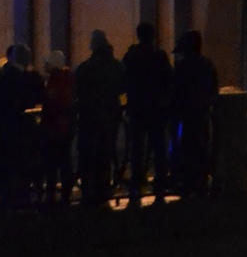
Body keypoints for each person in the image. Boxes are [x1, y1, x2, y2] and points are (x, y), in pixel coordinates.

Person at [123, 22, 173, 205]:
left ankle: (136, 186)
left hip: (138, 108)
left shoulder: (132, 56)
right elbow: (169, 80)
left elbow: (124, 79)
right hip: (156, 109)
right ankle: (159, 186)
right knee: (158, 148)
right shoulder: (159, 56)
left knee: (137, 150)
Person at [73, 31, 125, 209]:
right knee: (105, 154)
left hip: (89, 117)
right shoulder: (115, 66)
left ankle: (90, 191)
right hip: (110, 116)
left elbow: (77, 87)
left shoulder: (86, 68)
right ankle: (104, 189)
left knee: (88, 156)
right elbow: (123, 85)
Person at [0, 44, 45, 209]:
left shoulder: (5, 76)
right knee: (23, 164)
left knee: (9, 167)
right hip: (23, 129)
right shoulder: (28, 78)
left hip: (7, 128)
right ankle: (22, 198)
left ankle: (9, 199)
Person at [171, 30, 218, 198]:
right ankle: (201, 181)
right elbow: (213, 89)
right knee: (201, 146)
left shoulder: (184, 68)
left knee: (188, 147)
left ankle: (189, 182)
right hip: (201, 112)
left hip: (187, 114)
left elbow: (175, 90)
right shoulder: (207, 65)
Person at [39, 51, 76, 207]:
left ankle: (52, 194)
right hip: (66, 126)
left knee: (53, 162)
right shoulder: (70, 78)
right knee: (65, 160)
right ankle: (66, 191)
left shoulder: (56, 79)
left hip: (54, 127)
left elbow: (51, 100)